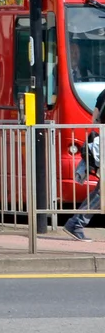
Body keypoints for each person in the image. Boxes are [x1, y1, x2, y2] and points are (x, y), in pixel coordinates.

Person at [67, 86, 105, 239]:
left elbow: (94, 118)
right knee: (101, 192)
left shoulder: (103, 94)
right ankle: (76, 223)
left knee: (101, 191)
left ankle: (75, 223)